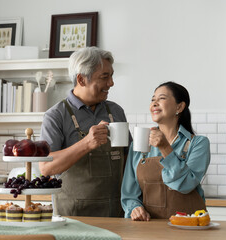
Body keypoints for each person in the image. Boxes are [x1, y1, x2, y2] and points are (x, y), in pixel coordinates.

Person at [39, 47, 131, 217]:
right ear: (81, 79)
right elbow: (46, 167)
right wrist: (87, 143)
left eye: (111, 76)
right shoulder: (56, 116)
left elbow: (128, 161)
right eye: (105, 77)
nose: (111, 83)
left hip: (116, 212)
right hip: (73, 216)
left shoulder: (116, 111)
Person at [121, 81, 210, 221]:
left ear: (179, 107)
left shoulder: (198, 143)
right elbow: (129, 193)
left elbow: (186, 184)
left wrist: (165, 148)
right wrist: (134, 208)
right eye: (152, 99)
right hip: (148, 227)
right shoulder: (140, 144)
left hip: (189, 226)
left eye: (161, 98)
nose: (154, 103)